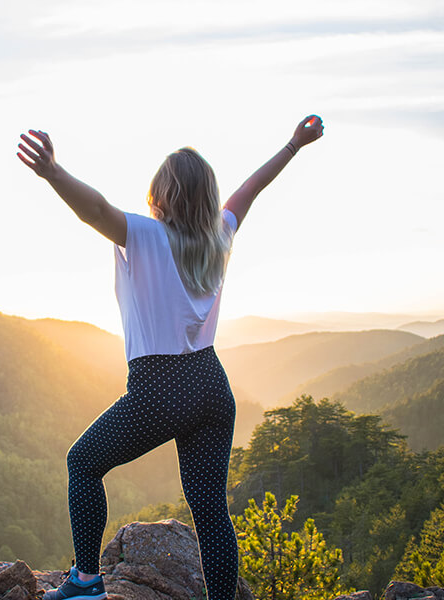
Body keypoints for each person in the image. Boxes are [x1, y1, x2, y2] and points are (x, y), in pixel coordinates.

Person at [17, 114, 324, 600]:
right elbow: (251, 189)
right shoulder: (219, 235)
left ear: (162, 193)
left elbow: (95, 209)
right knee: (210, 511)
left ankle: (85, 580)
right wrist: (293, 144)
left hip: (161, 387)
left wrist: (54, 173)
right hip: (211, 385)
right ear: (205, 197)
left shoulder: (145, 235)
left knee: (83, 463)